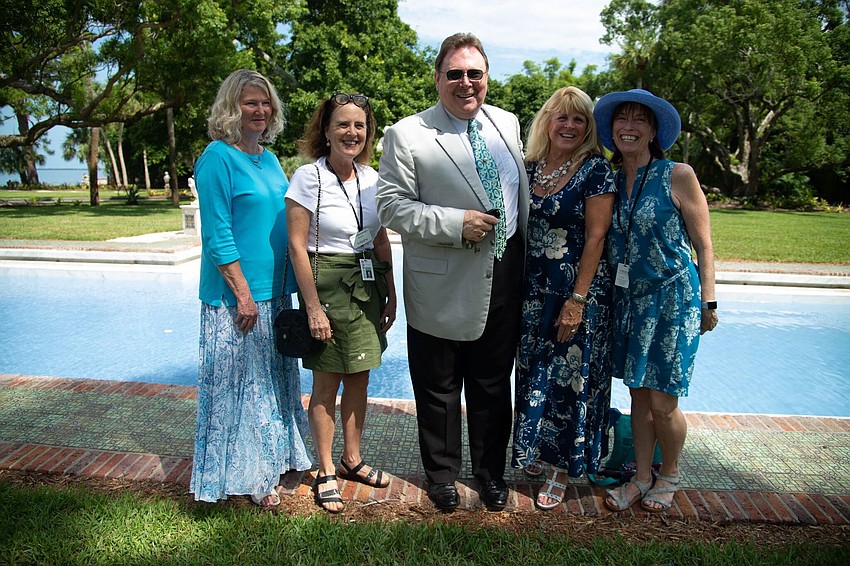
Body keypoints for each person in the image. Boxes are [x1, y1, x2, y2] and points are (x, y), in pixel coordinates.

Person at [376, 33, 529, 512]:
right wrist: (454, 223)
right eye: (455, 74)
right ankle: (441, 474)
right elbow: (390, 206)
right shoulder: (408, 134)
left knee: (491, 382)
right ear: (438, 78)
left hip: (505, 271)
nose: (466, 83)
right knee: (439, 387)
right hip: (441, 279)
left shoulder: (507, 123)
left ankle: (489, 473)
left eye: (475, 74)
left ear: (487, 77)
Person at [592, 89, 719, 513]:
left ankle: (671, 473)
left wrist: (710, 300)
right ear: (611, 130)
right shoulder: (609, 180)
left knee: (664, 402)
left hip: (672, 301)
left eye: (638, 121)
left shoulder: (676, 174)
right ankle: (641, 477)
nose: (628, 127)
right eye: (621, 120)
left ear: (652, 132)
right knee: (639, 398)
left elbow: (704, 244)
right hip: (629, 303)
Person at [190, 69, 312, 507]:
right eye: (250, 103)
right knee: (240, 391)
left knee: (274, 386)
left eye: (266, 103)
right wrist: (242, 293)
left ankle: (276, 459)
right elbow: (217, 234)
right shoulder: (217, 158)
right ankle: (246, 477)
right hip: (238, 299)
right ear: (231, 107)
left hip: (276, 294)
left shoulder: (270, 158)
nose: (260, 110)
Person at [286, 92, 397, 513]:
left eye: (359, 126)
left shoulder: (372, 178)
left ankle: (353, 460)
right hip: (326, 285)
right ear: (326, 130)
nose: (352, 132)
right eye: (343, 124)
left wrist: (390, 293)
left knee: (360, 377)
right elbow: (297, 247)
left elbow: (381, 236)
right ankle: (327, 468)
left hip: (367, 283)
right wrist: (312, 307)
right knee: (327, 381)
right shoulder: (307, 178)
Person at [510, 86, 616, 510]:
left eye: (579, 120)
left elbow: (596, 236)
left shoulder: (595, 171)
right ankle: (533, 449)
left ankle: (560, 470)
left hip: (576, 292)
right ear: (547, 121)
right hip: (533, 291)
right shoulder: (530, 166)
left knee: (569, 380)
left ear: (588, 128)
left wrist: (577, 300)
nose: (569, 126)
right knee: (534, 372)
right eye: (562, 117)